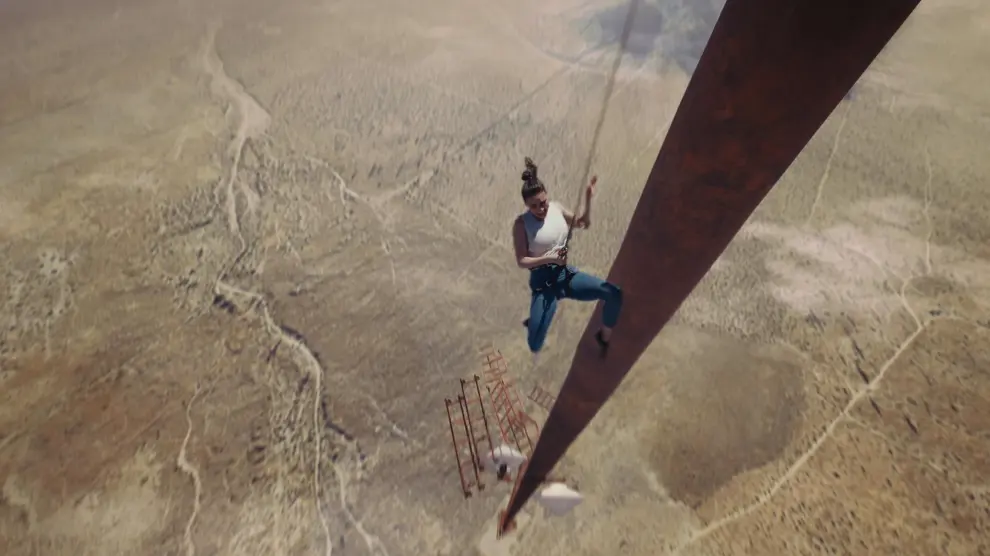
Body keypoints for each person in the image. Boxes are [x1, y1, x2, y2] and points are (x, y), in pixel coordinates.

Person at [512, 157, 622, 355]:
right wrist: (550, 258)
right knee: (535, 345)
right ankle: (534, 322)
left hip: (564, 276)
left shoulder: (557, 208)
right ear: (526, 205)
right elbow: (522, 260)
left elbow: (583, 223)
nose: (541, 209)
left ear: (547, 196)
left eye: (543, 202)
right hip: (543, 285)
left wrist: (588, 200)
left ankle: (604, 337)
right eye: (534, 206)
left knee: (613, 293)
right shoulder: (521, 224)